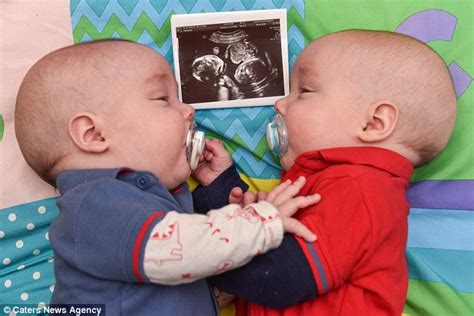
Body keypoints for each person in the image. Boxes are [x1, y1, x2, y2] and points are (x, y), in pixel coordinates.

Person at [14, 39, 321, 315]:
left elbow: (185, 272)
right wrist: (259, 221)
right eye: (163, 99)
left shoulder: (150, 202)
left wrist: (222, 194)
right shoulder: (93, 204)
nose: (188, 110)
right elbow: (181, 251)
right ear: (93, 134)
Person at [211, 29, 457, 315]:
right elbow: (260, 246)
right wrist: (220, 186)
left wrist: (202, 257)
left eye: (304, 91)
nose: (279, 104)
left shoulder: (362, 190)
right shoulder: (326, 182)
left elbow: (284, 278)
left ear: (374, 123)